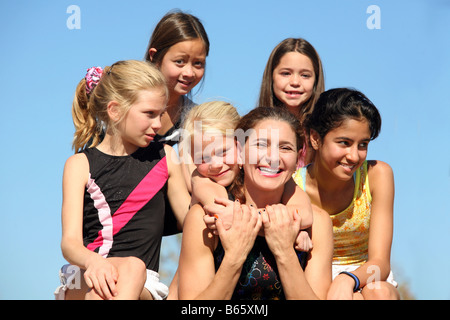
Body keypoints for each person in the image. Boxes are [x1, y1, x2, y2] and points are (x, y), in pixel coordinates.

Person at [55, 60, 190, 300]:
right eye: (149, 114)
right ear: (114, 110)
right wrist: (94, 262)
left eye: (161, 114)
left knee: (131, 269)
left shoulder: (166, 158)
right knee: (103, 287)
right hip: (88, 271)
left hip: (145, 282)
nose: (158, 125)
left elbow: (189, 222)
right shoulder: (79, 165)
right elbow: (70, 243)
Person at [178, 107, 333, 300]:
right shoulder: (207, 218)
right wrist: (234, 257)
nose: (273, 158)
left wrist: (285, 253)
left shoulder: (316, 224)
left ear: (297, 160)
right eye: (260, 145)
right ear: (240, 152)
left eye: (285, 148)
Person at [293, 88, 400, 300]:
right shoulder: (293, 185)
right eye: (344, 143)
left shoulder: (377, 175)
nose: (353, 156)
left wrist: (347, 279)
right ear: (315, 138)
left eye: (363, 145)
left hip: (367, 275)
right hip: (314, 275)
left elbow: (381, 263)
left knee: (379, 293)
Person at [180, 101, 313, 251]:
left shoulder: (278, 178)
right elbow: (226, 217)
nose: (215, 164)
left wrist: (295, 230)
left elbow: (305, 215)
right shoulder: (202, 180)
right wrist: (288, 229)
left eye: (223, 152)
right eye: (203, 158)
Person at [144, 10, 210, 148]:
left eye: (198, 63)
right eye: (180, 61)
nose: (189, 73)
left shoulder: (195, 120)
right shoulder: (126, 106)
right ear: (154, 56)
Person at [257, 38, 325, 166]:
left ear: (316, 81)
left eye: (305, 75)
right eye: (286, 73)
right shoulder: (253, 129)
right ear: (271, 77)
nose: (295, 82)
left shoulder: (324, 136)